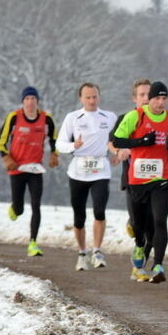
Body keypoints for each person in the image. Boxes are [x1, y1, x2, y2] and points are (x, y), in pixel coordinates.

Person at [111, 81, 168, 283]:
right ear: (149, 99)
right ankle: (139, 245)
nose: (160, 102)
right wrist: (140, 142)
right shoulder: (136, 116)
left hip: (162, 179)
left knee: (159, 221)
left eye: (164, 99)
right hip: (137, 180)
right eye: (157, 98)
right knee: (138, 223)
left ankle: (158, 265)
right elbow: (116, 140)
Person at [56, 83, 117, 271]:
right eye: (88, 97)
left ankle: (97, 250)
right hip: (78, 170)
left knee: (99, 210)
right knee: (79, 217)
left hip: (100, 169)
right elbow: (60, 144)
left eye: (95, 96)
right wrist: (74, 145)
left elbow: (118, 138)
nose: (92, 100)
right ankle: (82, 252)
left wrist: (117, 151)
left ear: (99, 97)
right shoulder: (72, 117)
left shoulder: (110, 117)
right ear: (81, 99)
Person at [0, 86, 58, 257]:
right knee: (20, 209)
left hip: (35, 168)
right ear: (23, 102)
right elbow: (0, 142)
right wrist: (6, 158)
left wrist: (54, 153)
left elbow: (54, 138)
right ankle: (14, 208)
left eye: (33, 99)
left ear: (37, 101)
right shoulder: (14, 117)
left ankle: (33, 243)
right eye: (27, 99)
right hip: (17, 167)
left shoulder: (47, 119)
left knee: (36, 204)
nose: (30, 103)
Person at [111, 79, 152, 280]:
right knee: (139, 224)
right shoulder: (126, 118)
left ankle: (140, 266)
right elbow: (112, 142)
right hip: (132, 179)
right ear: (134, 98)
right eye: (142, 95)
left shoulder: (159, 119)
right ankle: (134, 226)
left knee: (153, 224)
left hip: (156, 180)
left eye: (149, 95)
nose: (146, 99)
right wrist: (120, 150)